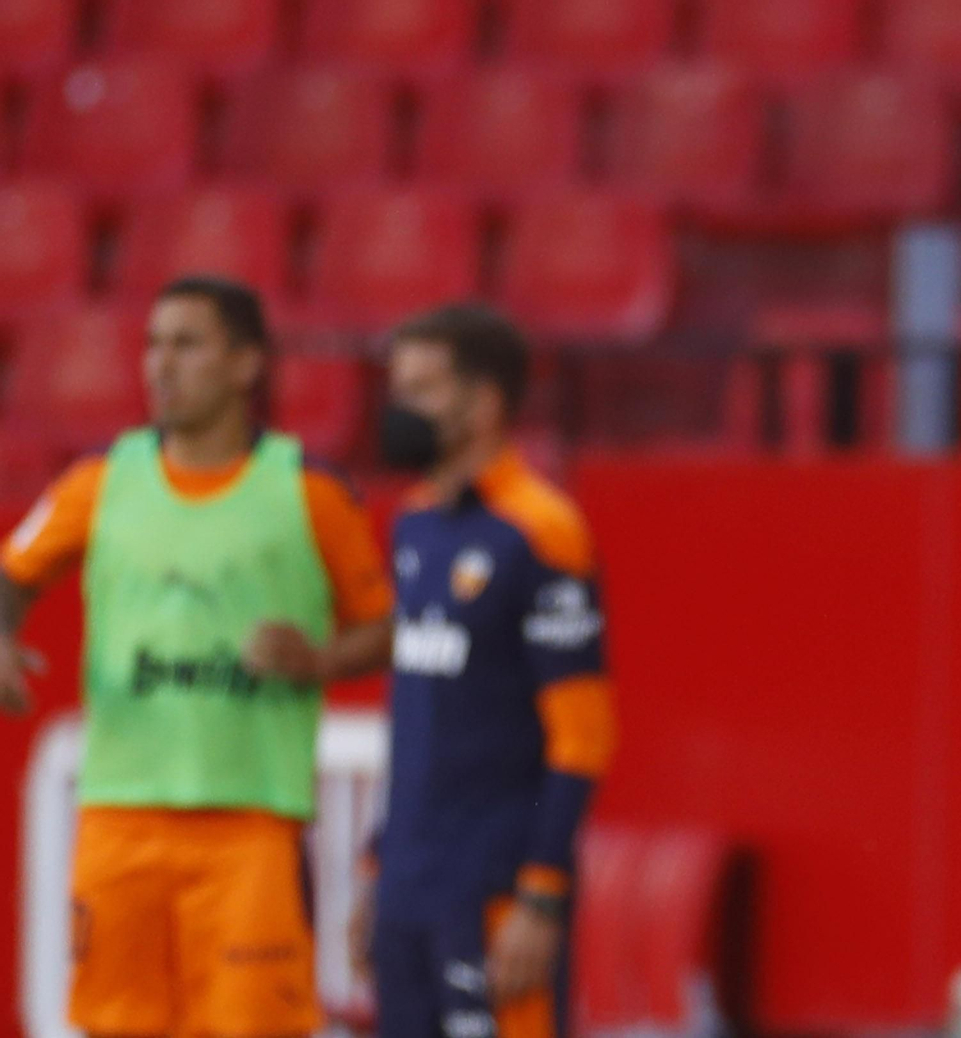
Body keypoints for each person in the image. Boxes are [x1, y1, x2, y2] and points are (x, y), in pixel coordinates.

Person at [0, 275, 394, 1037]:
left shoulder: (310, 493)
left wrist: (318, 660)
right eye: (152, 344)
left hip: (250, 826)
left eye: (186, 343)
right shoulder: (99, 483)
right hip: (119, 819)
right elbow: (10, 577)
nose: (160, 364)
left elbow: (385, 629)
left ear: (247, 364)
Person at [350, 303, 618, 1038]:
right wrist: (378, 871)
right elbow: (418, 719)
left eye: (423, 391)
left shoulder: (541, 531)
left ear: (486, 401)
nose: (401, 411)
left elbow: (583, 734)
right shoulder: (413, 523)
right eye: (397, 390)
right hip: (409, 885)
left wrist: (541, 895)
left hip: (493, 887)